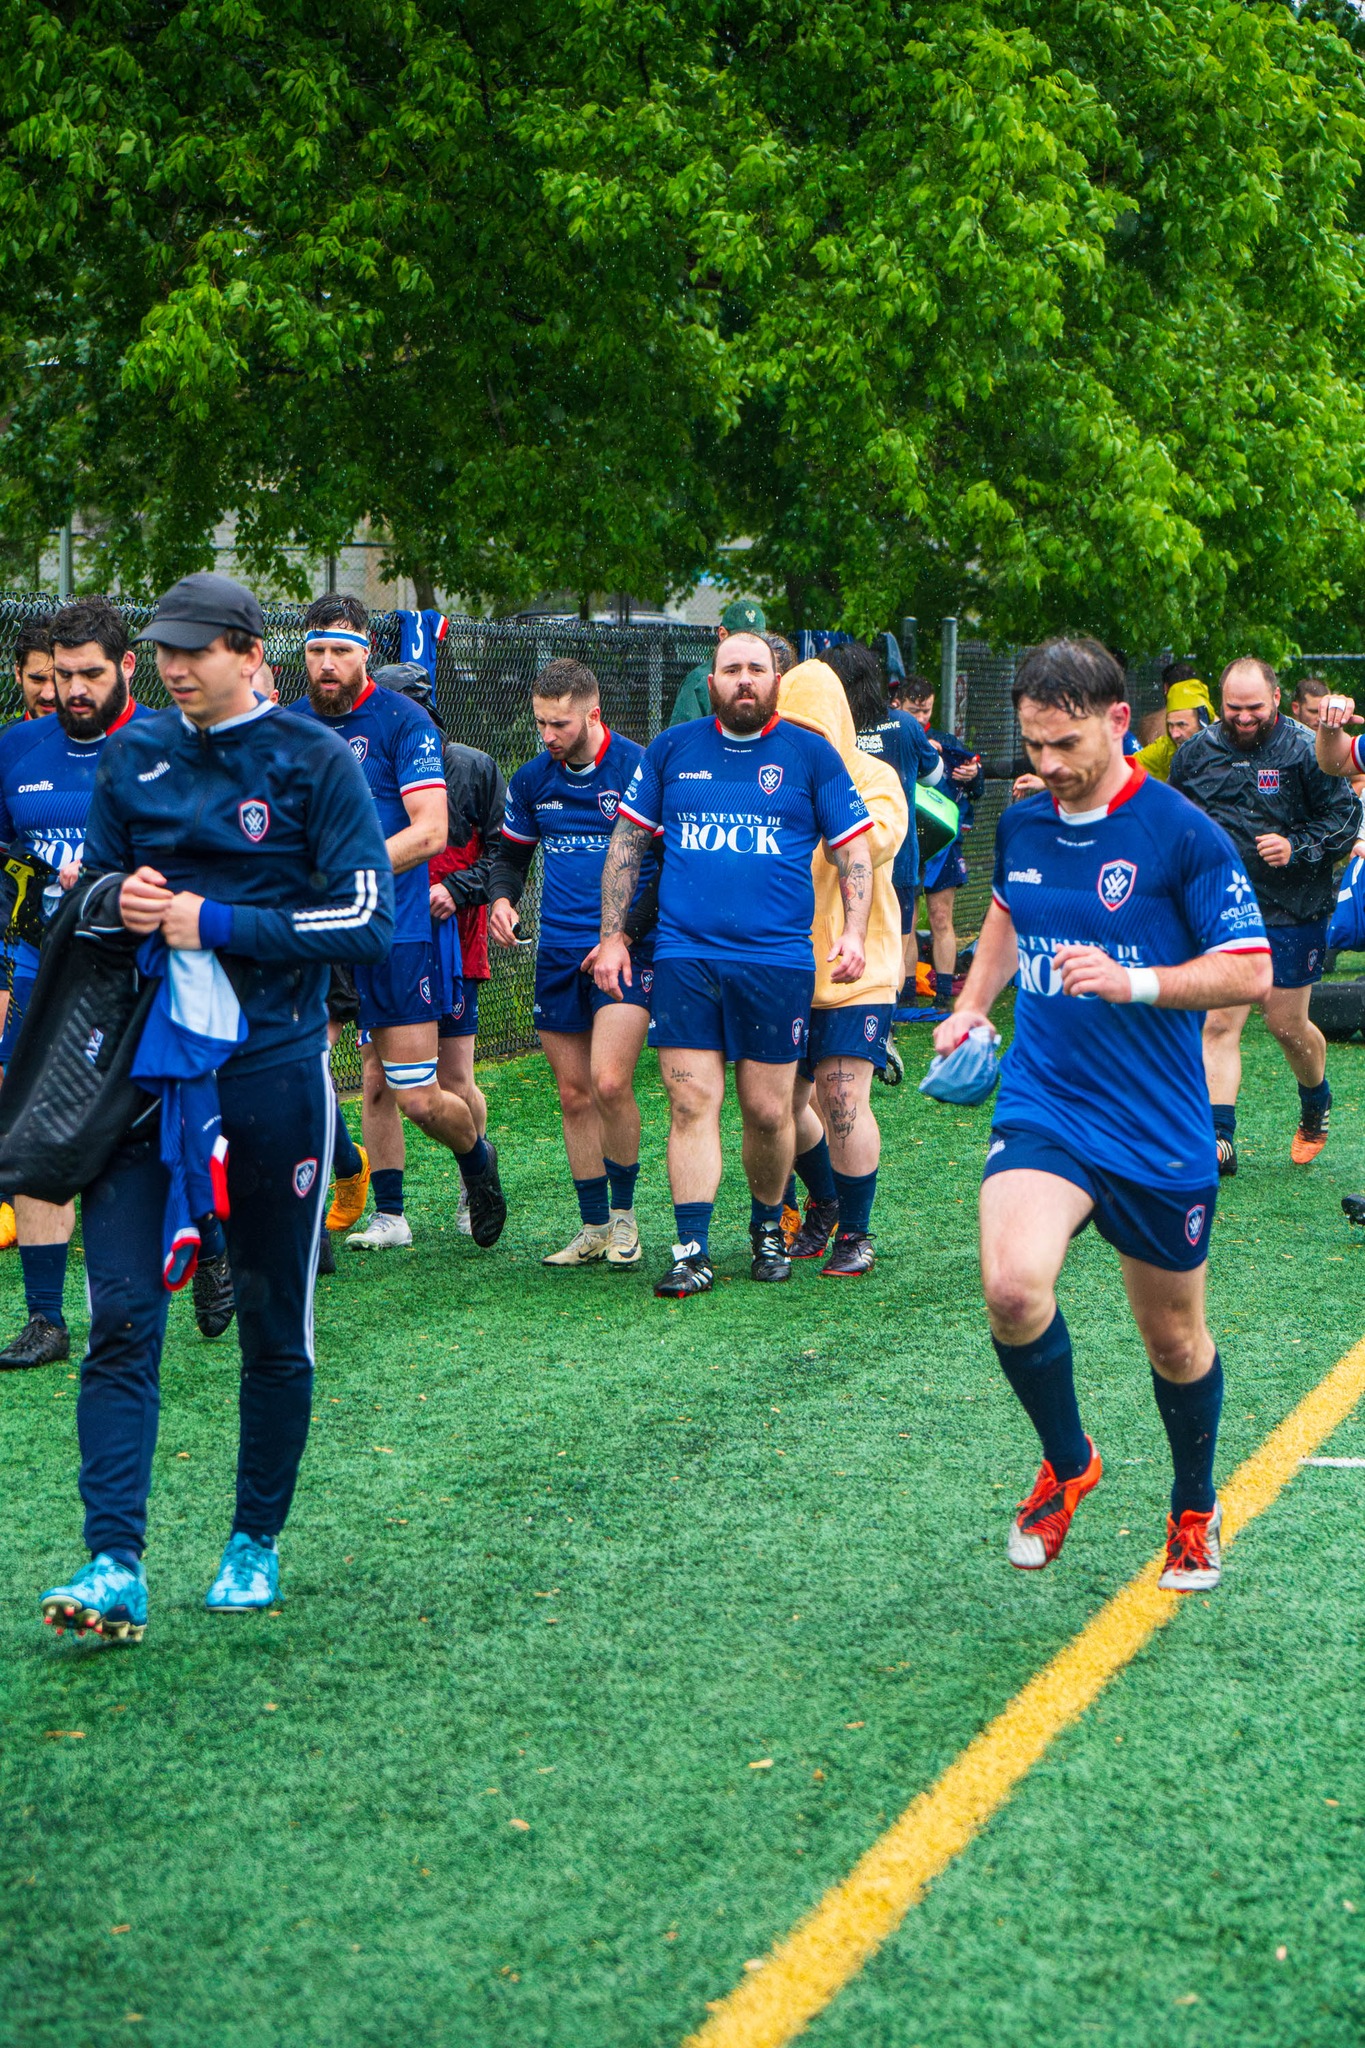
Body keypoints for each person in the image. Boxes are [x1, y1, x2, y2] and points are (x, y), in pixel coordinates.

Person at [39, 570, 395, 1641]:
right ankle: (114, 1560)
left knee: (273, 1320)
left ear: (250, 650)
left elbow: (368, 918)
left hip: (273, 1071)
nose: (174, 666)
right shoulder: (135, 755)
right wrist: (120, 901)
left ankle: (254, 1538)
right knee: (121, 1317)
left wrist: (218, 921)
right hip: (143, 1078)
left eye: (195, 648)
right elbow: (90, 892)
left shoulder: (313, 759)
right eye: (165, 649)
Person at [935, 637, 1270, 1592]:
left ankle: (1194, 1510)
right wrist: (968, 1003)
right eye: (1034, 744)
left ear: (1121, 722)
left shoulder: (1182, 834)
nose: (1045, 765)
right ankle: (1069, 1461)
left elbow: (1249, 968)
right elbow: (1007, 913)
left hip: (1157, 1126)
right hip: (1047, 1101)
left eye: (1065, 744)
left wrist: (1138, 981)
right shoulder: (1028, 822)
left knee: (1172, 1340)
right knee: (1010, 1289)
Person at [595, 630, 874, 1297]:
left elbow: (854, 850)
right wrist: (613, 936)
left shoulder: (810, 755)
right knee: (691, 1101)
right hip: (686, 956)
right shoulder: (672, 749)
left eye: (756, 668)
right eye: (730, 669)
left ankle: (765, 1227)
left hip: (776, 962)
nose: (743, 679)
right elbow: (627, 844)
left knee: (768, 1112)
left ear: (775, 678)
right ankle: (690, 1248)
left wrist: (856, 932)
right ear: (711, 680)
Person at [292, 596, 506, 1250]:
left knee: (417, 1094)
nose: (327, 666)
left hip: (395, 928)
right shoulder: (285, 725)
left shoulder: (403, 721)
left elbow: (430, 833)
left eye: (340, 651)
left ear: (366, 653)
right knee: (294, 1074)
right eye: (315, 652)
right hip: (306, 932)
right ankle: (320, 1221)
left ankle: (476, 1160)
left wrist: (341, 869)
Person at [0, 599, 152, 1370]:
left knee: (165, 1127)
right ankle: (45, 1317)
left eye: (89, 673)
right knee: (38, 1132)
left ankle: (220, 1250)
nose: (72, 691)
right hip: (43, 973)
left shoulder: (166, 744)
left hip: (142, 976)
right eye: (61, 677)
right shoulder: (15, 749)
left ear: (126, 666)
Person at [489, 659, 653, 1267]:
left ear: (593, 712)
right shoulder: (533, 780)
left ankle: (625, 1219)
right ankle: (591, 1228)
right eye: (540, 723)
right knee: (574, 1094)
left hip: (624, 951)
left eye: (559, 724)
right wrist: (502, 899)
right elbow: (510, 856)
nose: (548, 735)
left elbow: (660, 868)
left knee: (611, 1082)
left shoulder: (638, 768)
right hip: (557, 951)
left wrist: (624, 935)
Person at [1169, 657, 1359, 1174]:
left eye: (1254, 707)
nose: (1245, 717)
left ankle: (1316, 1099)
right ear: (1220, 701)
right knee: (1219, 1021)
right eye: (1234, 708)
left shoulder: (1304, 748)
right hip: (1226, 906)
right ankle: (1218, 1140)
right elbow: (1171, 824)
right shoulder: (1195, 755)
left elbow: (1346, 816)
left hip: (1296, 905)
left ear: (1277, 699)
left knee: (1285, 1025)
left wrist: (1295, 847)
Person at [778, 657, 907, 1275]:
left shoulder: (873, 776)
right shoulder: (766, 775)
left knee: (841, 1096)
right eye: (790, 725)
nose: (803, 739)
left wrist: (823, 800)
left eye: (814, 728)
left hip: (859, 968)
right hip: (779, 964)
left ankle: (856, 1233)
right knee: (775, 1105)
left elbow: (875, 840)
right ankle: (825, 1202)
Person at [0, 614, 55, 1252]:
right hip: (22, 938)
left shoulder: (128, 742)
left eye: (61, 677)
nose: (50, 690)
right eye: (38, 678)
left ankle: (341, 1164)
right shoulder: (10, 749)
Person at [899, 673, 986, 1014]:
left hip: (943, 844)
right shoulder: (894, 737)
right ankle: (905, 994)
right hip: (905, 840)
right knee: (907, 919)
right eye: (913, 710)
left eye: (925, 711)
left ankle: (944, 995)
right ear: (898, 706)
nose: (920, 718)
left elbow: (976, 789)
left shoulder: (946, 742)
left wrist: (975, 776)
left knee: (940, 917)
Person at [669, 599, 767, 726]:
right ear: (723, 634)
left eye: (756, 639)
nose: (749, 645)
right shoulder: (699, 680)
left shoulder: (766, 676)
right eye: (741, 638)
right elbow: (681, 738)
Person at [1130, 668, 1215, 781]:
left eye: (1182, 725)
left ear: (1202, 723)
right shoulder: (1165, 750)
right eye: (1170, 725)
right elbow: (1122, 771)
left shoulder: (1226, 747)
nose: (1174, 734)